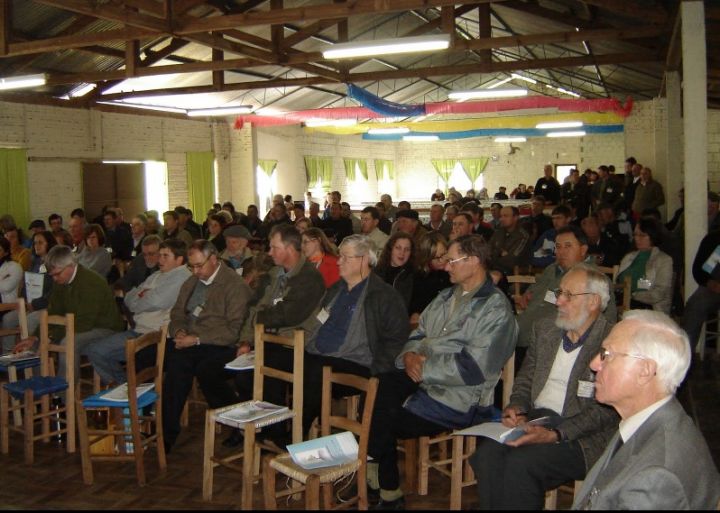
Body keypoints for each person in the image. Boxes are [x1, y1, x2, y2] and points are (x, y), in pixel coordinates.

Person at [366, 235, 518, 509]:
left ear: (473, 261)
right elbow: (419, 332)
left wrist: (423, 367)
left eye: (452, 260)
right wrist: (409, 356)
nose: (446, 266)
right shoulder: (446, 296)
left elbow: (474, 369)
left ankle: (380, 479)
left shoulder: (496, 310)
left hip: (459, 398)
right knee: (379, 385)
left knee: (379, 419)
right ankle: (380, 477)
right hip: (424, 380)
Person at [471, 264, 618, 509]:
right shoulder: (546, 329)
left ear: (593, 301)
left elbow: (605, 410)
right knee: (487, 455)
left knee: (522, 464)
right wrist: (517, 407)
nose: (559, 301)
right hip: (538, 419)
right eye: (559, 292)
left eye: (568, 295)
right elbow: (526, 378)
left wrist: (557, 434)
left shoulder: (610, 341)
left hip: (584, 435)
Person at [573, 310, 720, 509]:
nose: (594, 363)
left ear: (645, 371)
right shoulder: (652, 419)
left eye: (606, 354)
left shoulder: (657, 477)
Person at [302, 234, 410, 434]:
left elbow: (396, 340)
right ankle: (271, 428)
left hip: (358, 362)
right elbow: (317, 320)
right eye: (339, 256)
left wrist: (377, 370)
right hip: (320, 354)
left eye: (345, 257)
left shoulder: (384, 296)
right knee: (277, 359)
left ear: (364, 260)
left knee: (314, 371)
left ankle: (295, 432)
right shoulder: (336, 289)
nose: (339, 262)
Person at [162, 240, 251, 453]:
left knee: (197, 367)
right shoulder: (192, 281)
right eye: (191, 266)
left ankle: (238, 420)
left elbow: (234, 330)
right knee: (163, 359)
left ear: (214, 259)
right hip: (190, 341)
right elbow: (177, 312)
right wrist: (179, 330)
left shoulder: (234, 285)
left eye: (199, 265)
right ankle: (163, 429)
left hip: (220, 343)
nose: (195, 271)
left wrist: (197, 338)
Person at [85, 239, 191, 385]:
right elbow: (129, 297)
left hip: (156, 336)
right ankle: (125, 389)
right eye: (159, 255)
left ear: (179, 260)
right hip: (139, 331)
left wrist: (142, 295)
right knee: (95, 351)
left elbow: (155, 301)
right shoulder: (157, 275)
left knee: (100, 351)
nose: (160, 259)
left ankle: (130, 394)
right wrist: (143, 295)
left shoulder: (181, 277)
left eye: (165, 256)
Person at [12, 245, 125, 381]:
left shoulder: (91, 283)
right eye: (51, 275)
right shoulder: (61, 281)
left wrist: (51, 335)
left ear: (71, 266)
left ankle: (65, 395)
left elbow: (83, 323)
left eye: (57, 274)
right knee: (36, 343)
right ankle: (40, 390)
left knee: (68, 342)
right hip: (79, 323)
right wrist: (36, 336)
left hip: (104, 327)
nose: (54, 279)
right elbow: (53, 312)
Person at [516, 226, 617, 359]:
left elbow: (607, 323)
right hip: (521, 331)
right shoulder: (551, 270)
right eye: (558, 247)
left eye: (568, 246)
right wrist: (526, 296)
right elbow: (533, 291)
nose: (561, 252)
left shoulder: (594, 279)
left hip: (551, 345)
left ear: (583, 249)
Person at [1, 231, 56, 351]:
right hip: (30, 305)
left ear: (49, 244)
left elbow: (53, 292)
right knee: (8, 319)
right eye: (35, 243)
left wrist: (35, 304)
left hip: (47, 306)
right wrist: (24, 303)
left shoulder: (54, 264)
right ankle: (9, 356)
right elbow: (27, 285)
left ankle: (31, 360)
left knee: (30, 321)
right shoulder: (34, 263)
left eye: (40, 242)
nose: (37, 245)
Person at [616, 218, 673, 314]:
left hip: (649, 307)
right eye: (635, 235)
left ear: (653, 236)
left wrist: (632, 294)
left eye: (642, 235)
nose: (637, 239)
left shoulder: (664, 260)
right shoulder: (628, 257)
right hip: (624, 301)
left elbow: (660, 293)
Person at [409, 231, 450, 326]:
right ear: (426, 258)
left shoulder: (453, 270)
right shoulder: (419, 277)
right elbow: (416, 306)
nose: (442, 260)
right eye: (437, 257)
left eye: (444, 254)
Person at [374, 231, 415, 313]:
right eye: (398, 248)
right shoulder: (376, 272)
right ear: (390, 249)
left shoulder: (413, 276)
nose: (402, 253)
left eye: (407, 249)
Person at [488, 206, 532, 276]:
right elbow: (487, 252)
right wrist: (500, 253)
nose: (502, 219)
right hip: (494, 269)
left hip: (514, 274)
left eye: (505, 216)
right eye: (501, 216)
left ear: (515, 217)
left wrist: (495, 253)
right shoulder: (498, 232)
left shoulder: (523, 236)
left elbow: (511, 260)